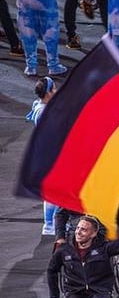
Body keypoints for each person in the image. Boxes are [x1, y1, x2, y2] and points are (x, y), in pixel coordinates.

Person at [25, 77, 59, 234]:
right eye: (54, 89)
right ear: (47, 93)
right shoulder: (44, 112)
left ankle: (52, 223)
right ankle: (50, 225)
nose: (56, 91)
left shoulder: (41, 106)